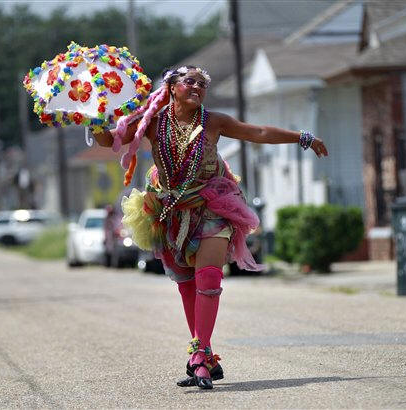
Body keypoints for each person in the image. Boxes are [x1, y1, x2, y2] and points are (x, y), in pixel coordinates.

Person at [93, 65, 329, 390]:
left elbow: (258, 132)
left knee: (208, 278)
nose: (197, 87)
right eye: (189, 81)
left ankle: (199, 356)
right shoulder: (152, 123)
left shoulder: (214, 121)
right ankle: (206, 356)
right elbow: (111, 139)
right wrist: (93, 119)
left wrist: (303, 137)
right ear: (171, 87)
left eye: (202, 84)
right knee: (187, 283)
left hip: (213, 204)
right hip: (171, 210)